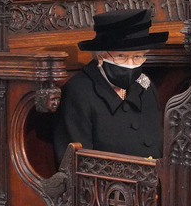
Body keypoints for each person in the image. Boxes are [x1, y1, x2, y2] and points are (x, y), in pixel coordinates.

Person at [53, 9, 169, 162]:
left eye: (137, 56)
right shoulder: (79, 92)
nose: (130, 65)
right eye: (121, 56)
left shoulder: (144, 84)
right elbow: (76, 163)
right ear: (101, 56)